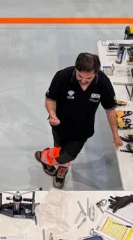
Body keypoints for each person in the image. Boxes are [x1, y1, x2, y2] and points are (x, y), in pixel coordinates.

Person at [34, 53, 122, 189]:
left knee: (68, 155)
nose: (83, 81)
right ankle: (61, 169)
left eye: (88, 78)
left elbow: (110, 110)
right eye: (80, 76)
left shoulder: (103, 83)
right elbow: (50, 99)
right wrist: (52, 114)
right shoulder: (62, 77)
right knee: (59, 149)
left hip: (82, 130)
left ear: (96, 73)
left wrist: (115, 135)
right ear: (76, 69)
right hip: (60, 125)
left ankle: (44, 157)